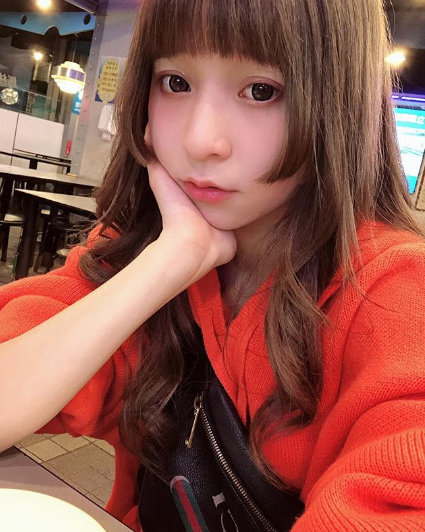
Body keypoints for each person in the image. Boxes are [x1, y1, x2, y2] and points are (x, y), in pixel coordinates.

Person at [1, 0, 425, 530]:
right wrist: (173, 259)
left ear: (340, 107)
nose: (201, 141)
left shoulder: (396, 295)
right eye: (175, 83)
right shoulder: (143, 246)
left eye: (261, 91)